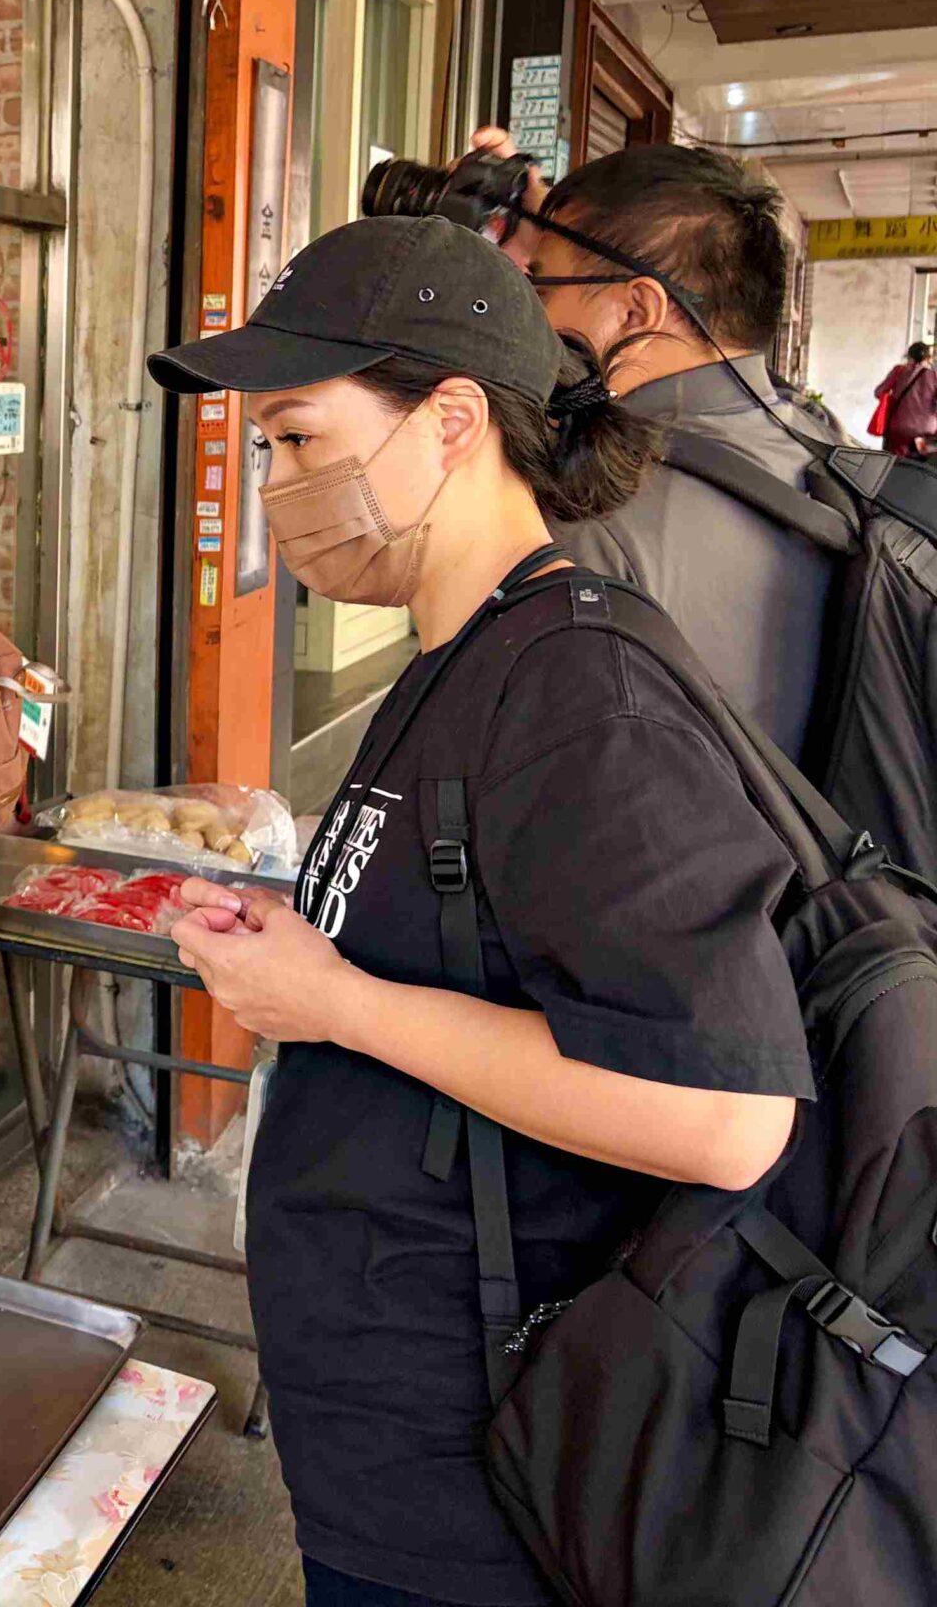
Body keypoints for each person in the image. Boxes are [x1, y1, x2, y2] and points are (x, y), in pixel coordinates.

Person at [152, 216, 810, 1607]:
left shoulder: (581, 692)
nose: (273, 485)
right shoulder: (467, 651)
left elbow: (722, 1114)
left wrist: (336, 1005)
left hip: (482, 1490)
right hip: (392, 1444)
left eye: (298, 440)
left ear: (451, 421)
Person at [467, 136, 842, 760]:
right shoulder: (819, 443)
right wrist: (553, 237)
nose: (529, 318)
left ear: (637, 308)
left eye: (539, 290)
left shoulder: (594, 519)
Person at [873, 340, 937, 456]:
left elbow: (879, 392)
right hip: (926, 431)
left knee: (898, 464)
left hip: (900, 428)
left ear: (909, 355)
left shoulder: (899, 371)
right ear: (928, 358)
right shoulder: (934, 376)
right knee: (923, 467)